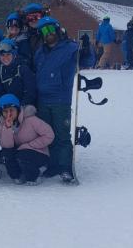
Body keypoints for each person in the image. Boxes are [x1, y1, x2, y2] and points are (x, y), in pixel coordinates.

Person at [34, 17, 78, 183]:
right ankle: (52, 165)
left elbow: (87, 61)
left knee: (62, 135)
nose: (48, 33)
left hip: (60, 99)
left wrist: (88, 50)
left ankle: (65, 167)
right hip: (43, 100)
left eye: (50, 29)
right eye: (44, 31)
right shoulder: (40, 52)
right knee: (47, 134)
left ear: (57, 29)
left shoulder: (70, 48)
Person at [0, 94, 54, 185]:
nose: (9, 114)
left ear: (18, 109)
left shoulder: (31, 119)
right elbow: (7, 146)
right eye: (5, 111)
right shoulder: (3, 124)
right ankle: (18, 175)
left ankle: (35, 175)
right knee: (5, 154)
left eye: (11, 110)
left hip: (38, 153)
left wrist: (30, 145)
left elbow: (49, 135)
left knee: (23, 155)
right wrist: (7, 128)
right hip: (20, 153)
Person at [0, 39, 37, 106]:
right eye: (2, 55)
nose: (5, 57)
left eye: (8, 54)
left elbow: (30, 92)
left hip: (25, 105)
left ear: (14, 55)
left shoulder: (23, 69)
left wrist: (20, 107)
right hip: (8, 106)